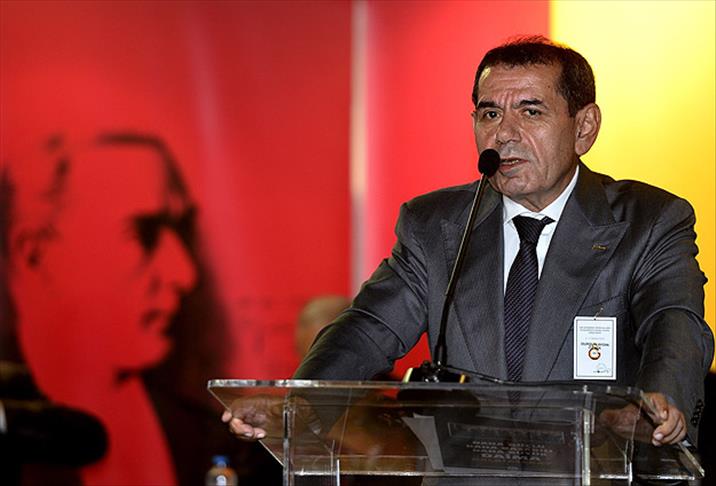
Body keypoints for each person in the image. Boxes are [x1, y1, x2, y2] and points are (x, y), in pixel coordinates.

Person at [225, 36, 713, 450]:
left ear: (584, 128)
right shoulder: (434, 225)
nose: (504, 134)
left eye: (531, 111)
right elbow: (370, 327)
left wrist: (657, 406)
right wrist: (300, 403)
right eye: (489, 113)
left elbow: (674, 324)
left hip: (595, 470)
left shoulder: (649, 221)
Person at [4, 133, 197, 484]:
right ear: (34, 254)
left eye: (182, 229)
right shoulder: (12, 400)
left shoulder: (198, 432)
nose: (185, 273)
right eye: (144, 232)